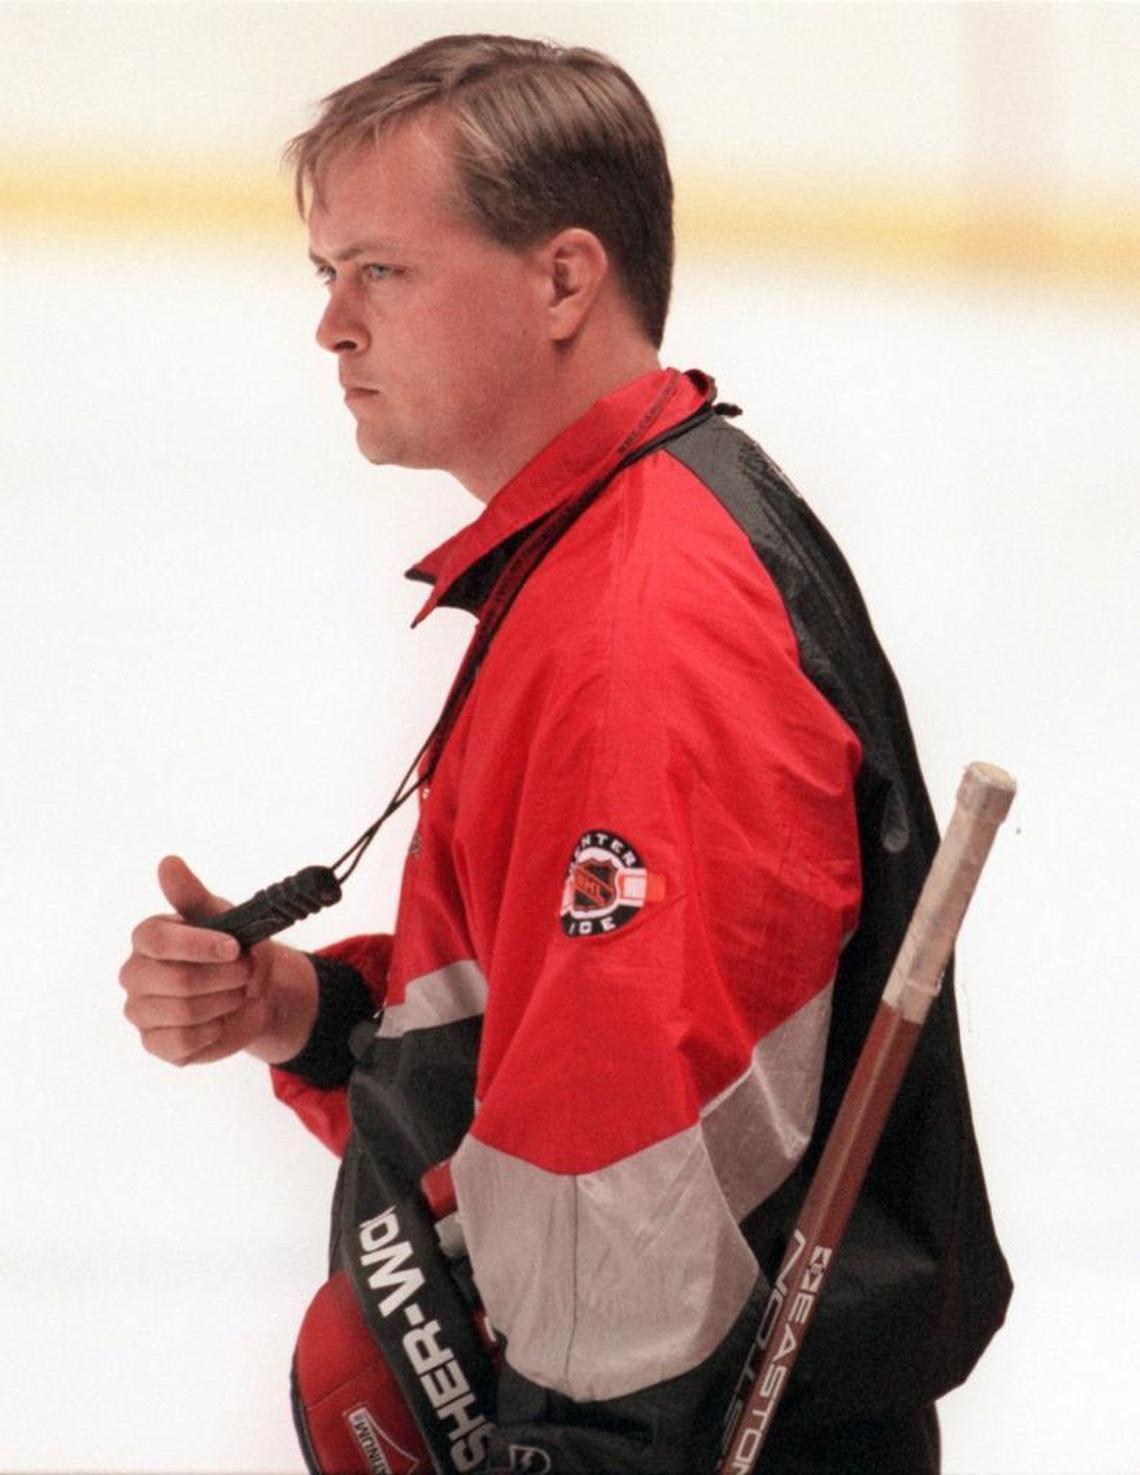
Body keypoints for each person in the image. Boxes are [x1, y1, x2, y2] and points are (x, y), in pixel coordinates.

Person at [120, 34, 1011, 1475]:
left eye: (380, 272)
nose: (332, 328)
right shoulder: (615, 542)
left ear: (563, 280)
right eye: (323, 276)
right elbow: (562, 1032)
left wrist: (578, 1451)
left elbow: (633, 1161)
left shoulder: (643, 629)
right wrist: (311, 1014)